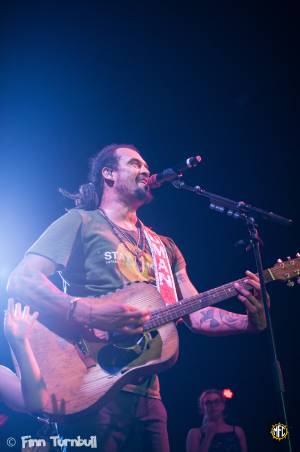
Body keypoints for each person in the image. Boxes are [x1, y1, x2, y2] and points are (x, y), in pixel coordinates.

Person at [7, 144, 267, 451]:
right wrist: (88, 312)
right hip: (87, 385)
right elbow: (22, 279)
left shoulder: (164, 246)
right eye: (134, 164)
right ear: (109, 174)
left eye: (146, 165)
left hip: (148, 395)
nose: (145, 169)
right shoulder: (81, 222)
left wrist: (248, 323)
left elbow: (196, 314)